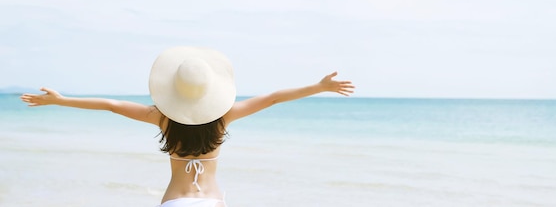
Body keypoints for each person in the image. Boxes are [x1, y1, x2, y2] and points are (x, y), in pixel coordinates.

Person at [20, 46, 355, 207]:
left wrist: (61, 101)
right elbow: (271, 99)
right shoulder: (224, 117)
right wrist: (317, 87)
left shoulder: (162, 118)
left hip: (173, 202)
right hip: (211, 201)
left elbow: (111, 105)